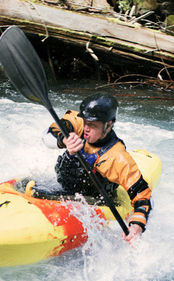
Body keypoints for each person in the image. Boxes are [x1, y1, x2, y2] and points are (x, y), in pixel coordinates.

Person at [42, 92, 152, 242]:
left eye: (92, 125)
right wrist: (63, 140)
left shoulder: (116, 157)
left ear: (108, 124)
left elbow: (142, 195)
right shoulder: (79, 123)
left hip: (93, 200)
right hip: (64, 189)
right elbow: (47, 136)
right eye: (85, 122)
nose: (85, 128)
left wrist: (137, 225)